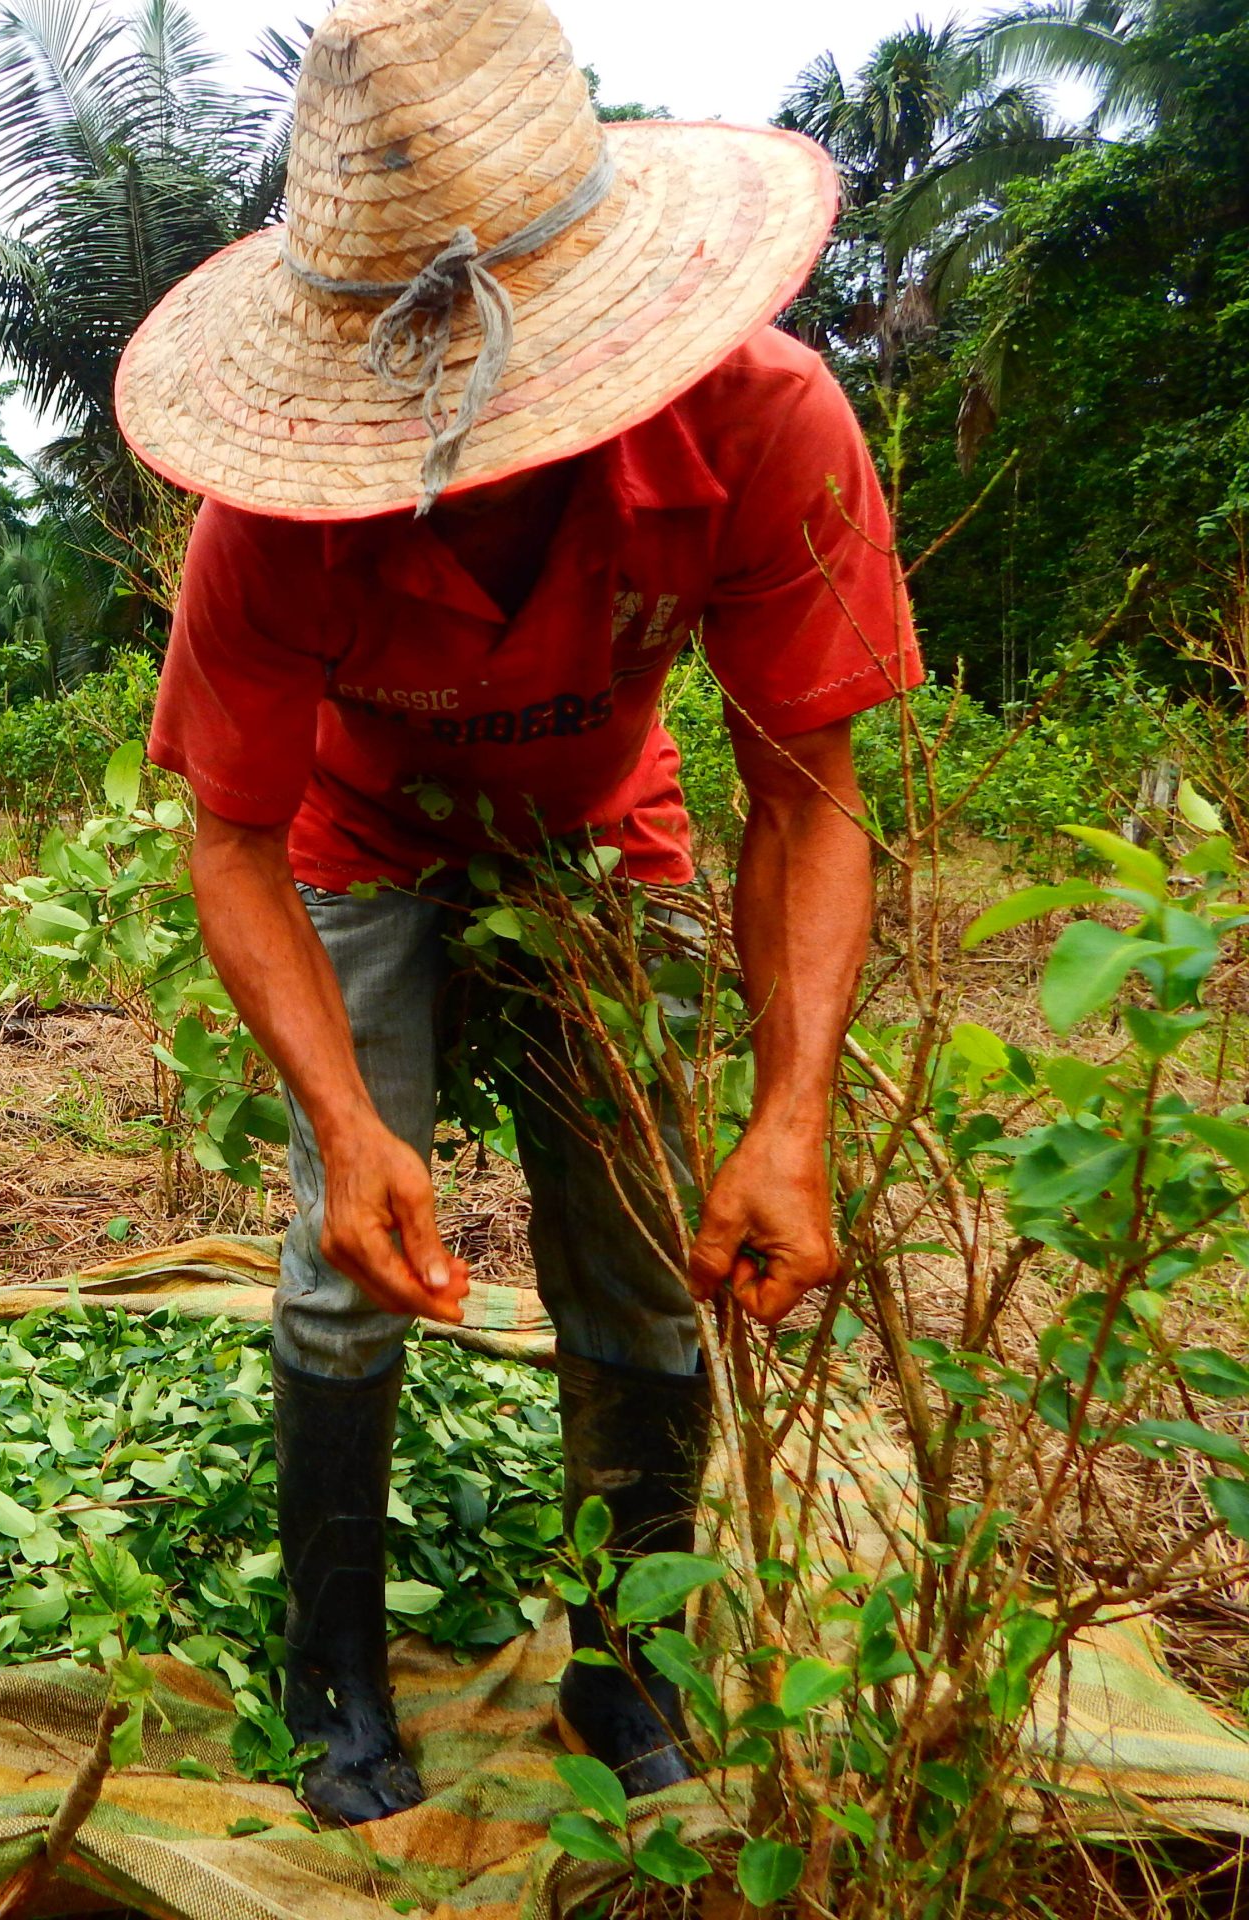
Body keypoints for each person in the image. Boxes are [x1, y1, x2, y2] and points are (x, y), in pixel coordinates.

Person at [111, 0, 921, 1823]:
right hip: (359, 839)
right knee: (343, 1276)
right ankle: (335, 1671)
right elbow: (234, 843)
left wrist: (791, 1121)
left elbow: (807, 794)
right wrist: (346, 1120)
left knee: (641, 1274)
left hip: (599, 841)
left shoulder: (765, 419)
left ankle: (626, 1661)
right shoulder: (276, 515)